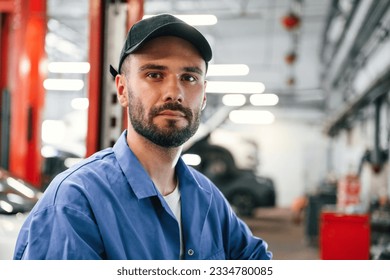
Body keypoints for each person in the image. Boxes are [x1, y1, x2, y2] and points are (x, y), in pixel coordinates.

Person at [13, 14, 272, 260]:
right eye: (155, 75)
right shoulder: (76, 201)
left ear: (203, 97)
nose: (175, 92)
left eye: (189, 77)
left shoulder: (207, 198)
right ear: (123, 90)